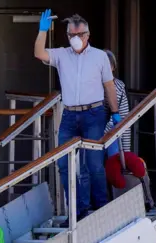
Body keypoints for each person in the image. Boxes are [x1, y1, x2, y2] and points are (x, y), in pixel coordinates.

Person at [34, 10, 121, 226]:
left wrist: (116, 112)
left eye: (79, 35)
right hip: (70, 114)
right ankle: (78, 211)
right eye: (71, 35)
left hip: (94, 113)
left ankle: (101, 209)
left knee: (94, 164)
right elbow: (39, 53)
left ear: (87, 35)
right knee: (64, 164)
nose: (75, 39)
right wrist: (42, 30)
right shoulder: (62, 55)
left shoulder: (100, 56)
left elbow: (109, 86)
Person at [103, 49, 131, 153]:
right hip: (93, 131)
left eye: (108, 66)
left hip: (112, 132)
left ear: (113, 67)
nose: (105, 69)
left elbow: (124, 117)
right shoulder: (92, 85)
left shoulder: (118, 86)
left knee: (114, 159)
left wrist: (127, 151)